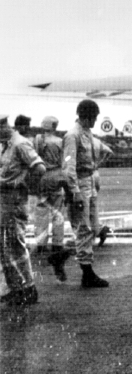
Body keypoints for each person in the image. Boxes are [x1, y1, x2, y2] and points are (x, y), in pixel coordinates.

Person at [63, 99, 109, 288]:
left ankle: (61, 258)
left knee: (90, 228)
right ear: (86, 116)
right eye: (94, 117)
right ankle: (87, 274)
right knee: (84, 229)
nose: (95, 121)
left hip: (88, 182)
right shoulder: (72, 136)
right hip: (80, 186)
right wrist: (75, 193)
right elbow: (68, 167)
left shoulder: (87, 133)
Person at [0, 115, 46, 307]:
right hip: (4, 201)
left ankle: (28, 288)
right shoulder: (7, 145)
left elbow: (40, 168)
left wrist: (24, 185)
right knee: (4, 247)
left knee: (15, 245)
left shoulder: (20, 144)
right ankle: (16, 288)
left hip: (14, 200)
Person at [33, 116, 73, 281]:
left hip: (41, 175)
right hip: (56, 175)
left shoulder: (37, 140)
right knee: (58, 213)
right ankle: (57, 243)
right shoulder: (59, 141)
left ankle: (41, 244)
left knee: (41, 212)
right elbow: (65, 162)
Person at [91, 135, 113, 247]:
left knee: (80, 208)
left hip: (84, 175)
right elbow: (109, 151)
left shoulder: (77, 140)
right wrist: (100, 163)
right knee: (92, 206)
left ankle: (94, 232)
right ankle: (99, 229)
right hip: (95, 173)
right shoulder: (96, 141)